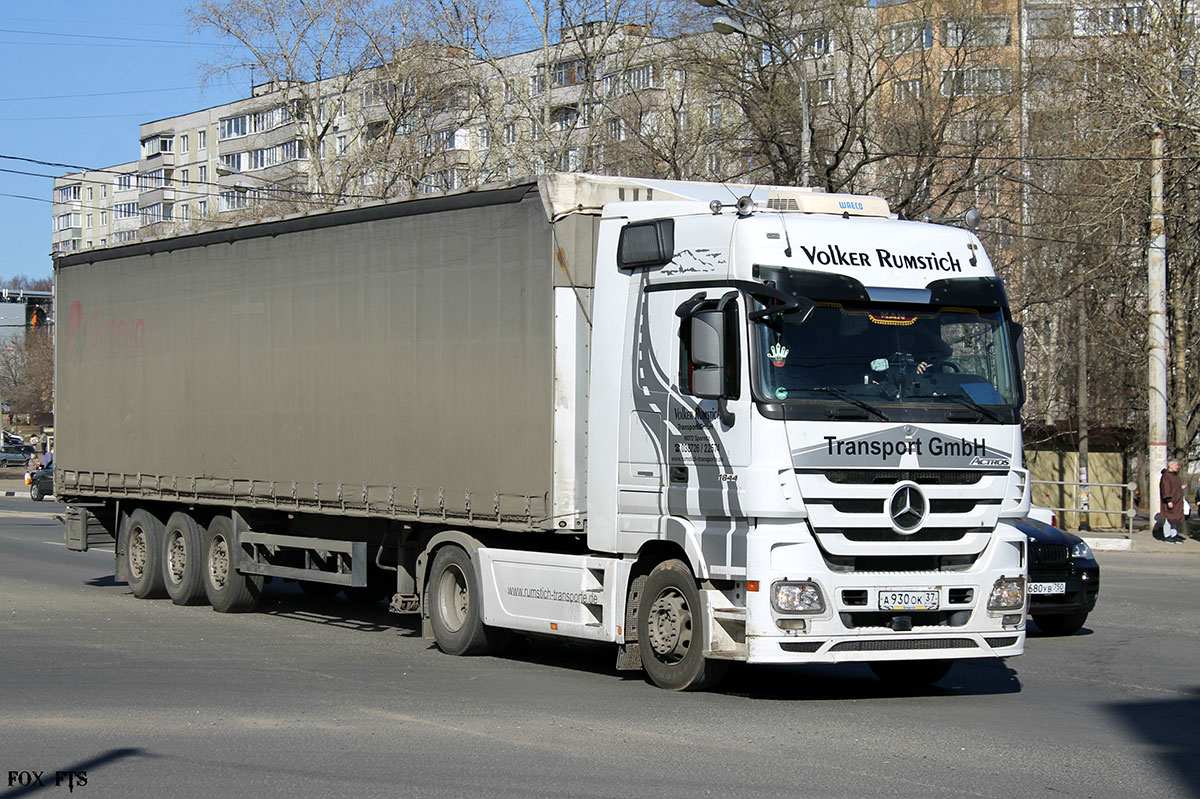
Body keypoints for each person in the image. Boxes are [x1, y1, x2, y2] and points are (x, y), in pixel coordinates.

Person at [1159, 458, 1187, 543]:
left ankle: (1174, 534)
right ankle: (1167, 536)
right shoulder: (1166, 476)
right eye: (1176, 465)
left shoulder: (1173, 475)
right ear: (1170, 465)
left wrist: (1180, 488)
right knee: (1169, 519)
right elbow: (1166, 489)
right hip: (1171, 501)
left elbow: (1173, 487)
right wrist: (1168, 500)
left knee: (1175, 519)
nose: (1177, 467)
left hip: (1176, 501)